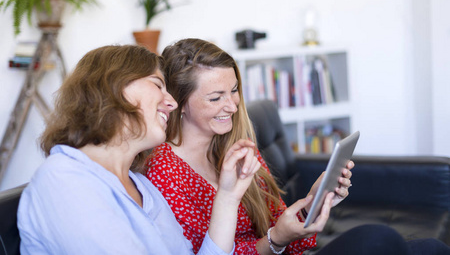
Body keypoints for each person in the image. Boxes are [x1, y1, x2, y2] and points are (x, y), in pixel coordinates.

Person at [146, 38, 450, 255]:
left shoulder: (238, 148)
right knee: (377, 239)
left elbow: (285, 230)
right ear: (179, 104)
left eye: (235, 91)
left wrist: (314, 200)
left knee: (432, 248)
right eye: (216, 97)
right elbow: (210, 252)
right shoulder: (165, 173)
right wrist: (275, 240)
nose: (232, 105)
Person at [17, 45, 261, 254]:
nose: (172, 103)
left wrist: (229, 197)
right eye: (157, 84)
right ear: (114, 87)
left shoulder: (142, 188)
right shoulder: (64, 179)